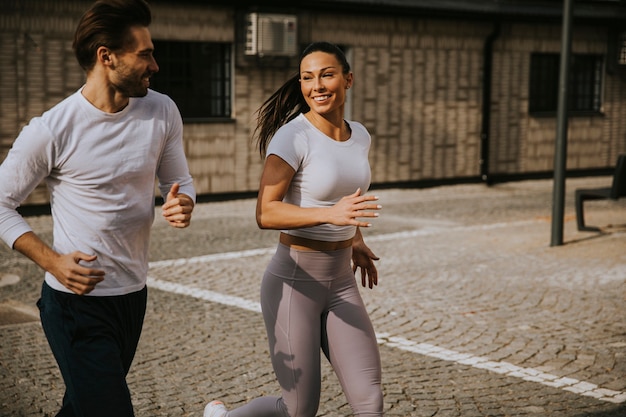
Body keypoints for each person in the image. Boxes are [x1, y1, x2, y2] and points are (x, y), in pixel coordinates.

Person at [0, 0, 195, 415]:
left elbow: (180, 183)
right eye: (145, 54)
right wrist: (51, 261)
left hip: (132, 296)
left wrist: (182, 203)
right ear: (107, 57)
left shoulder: (162, 111)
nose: (155, 65)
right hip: (76, 306)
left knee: (82, 407)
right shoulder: (52, 129)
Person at [204, 41, 383, 417]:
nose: (316, 85)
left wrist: (356, 239)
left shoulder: (361, 135)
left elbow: (344, 199)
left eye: (326, 75)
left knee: (370, 403)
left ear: (348, 80)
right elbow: (266, 213)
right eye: (307, 77)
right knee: (299, 409)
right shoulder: (293, 136)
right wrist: (329, 216)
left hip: (340, 283)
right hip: (293, 282)